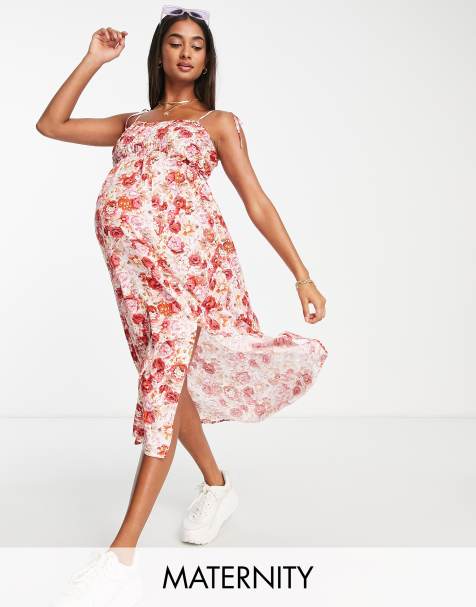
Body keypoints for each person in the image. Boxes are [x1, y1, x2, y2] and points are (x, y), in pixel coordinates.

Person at [37, 6, 328, 606]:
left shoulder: (217, 122)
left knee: (161, 395)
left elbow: (256, 201)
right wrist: (93, 59)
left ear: (207, 59)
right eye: (176, 42)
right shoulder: (131, 123)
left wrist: (302, 275)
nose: (187, 52)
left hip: (190, 274)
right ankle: (217, 487)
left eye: (198, 44)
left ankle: (121, 556)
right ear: (160, 54)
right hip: (136, 280)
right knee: (171, 389)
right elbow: (51, 124)